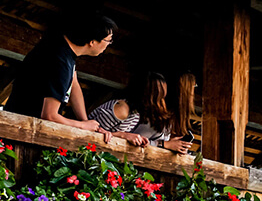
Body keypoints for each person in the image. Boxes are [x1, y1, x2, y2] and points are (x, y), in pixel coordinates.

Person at [5, 12, 116, 141]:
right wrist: (82, 125)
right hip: (21, 132)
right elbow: (50, 116)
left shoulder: (62, 48)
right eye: (108, 40)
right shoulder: (60, 61)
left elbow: (74, 85)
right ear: (92, 42)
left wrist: (89, 123)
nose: (108, 45)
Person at [87, 72, 190, 153]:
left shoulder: (135, 114)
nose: (162, 103)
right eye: (159, 98)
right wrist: (123, 135)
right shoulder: (122, 109)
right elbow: (91, 135)